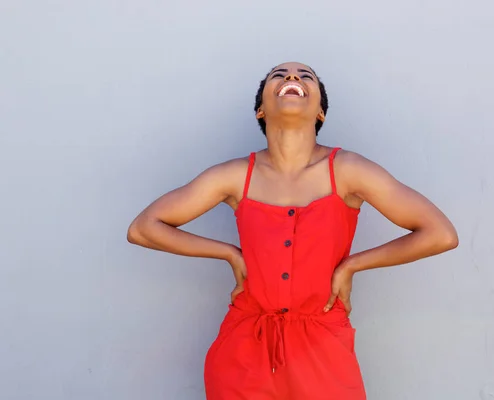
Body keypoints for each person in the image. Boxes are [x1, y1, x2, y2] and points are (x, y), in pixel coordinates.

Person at [127, 61, 459, 400]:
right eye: (279, 75)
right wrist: (228, 253)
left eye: (305, 76)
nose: (292, 77)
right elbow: (143, 229)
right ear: (260, 110)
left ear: (320, 114)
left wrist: (353, 265)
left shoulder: (347, 170)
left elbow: (440, 233)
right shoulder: (234, 176)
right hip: (243, 351)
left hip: (324, 347)